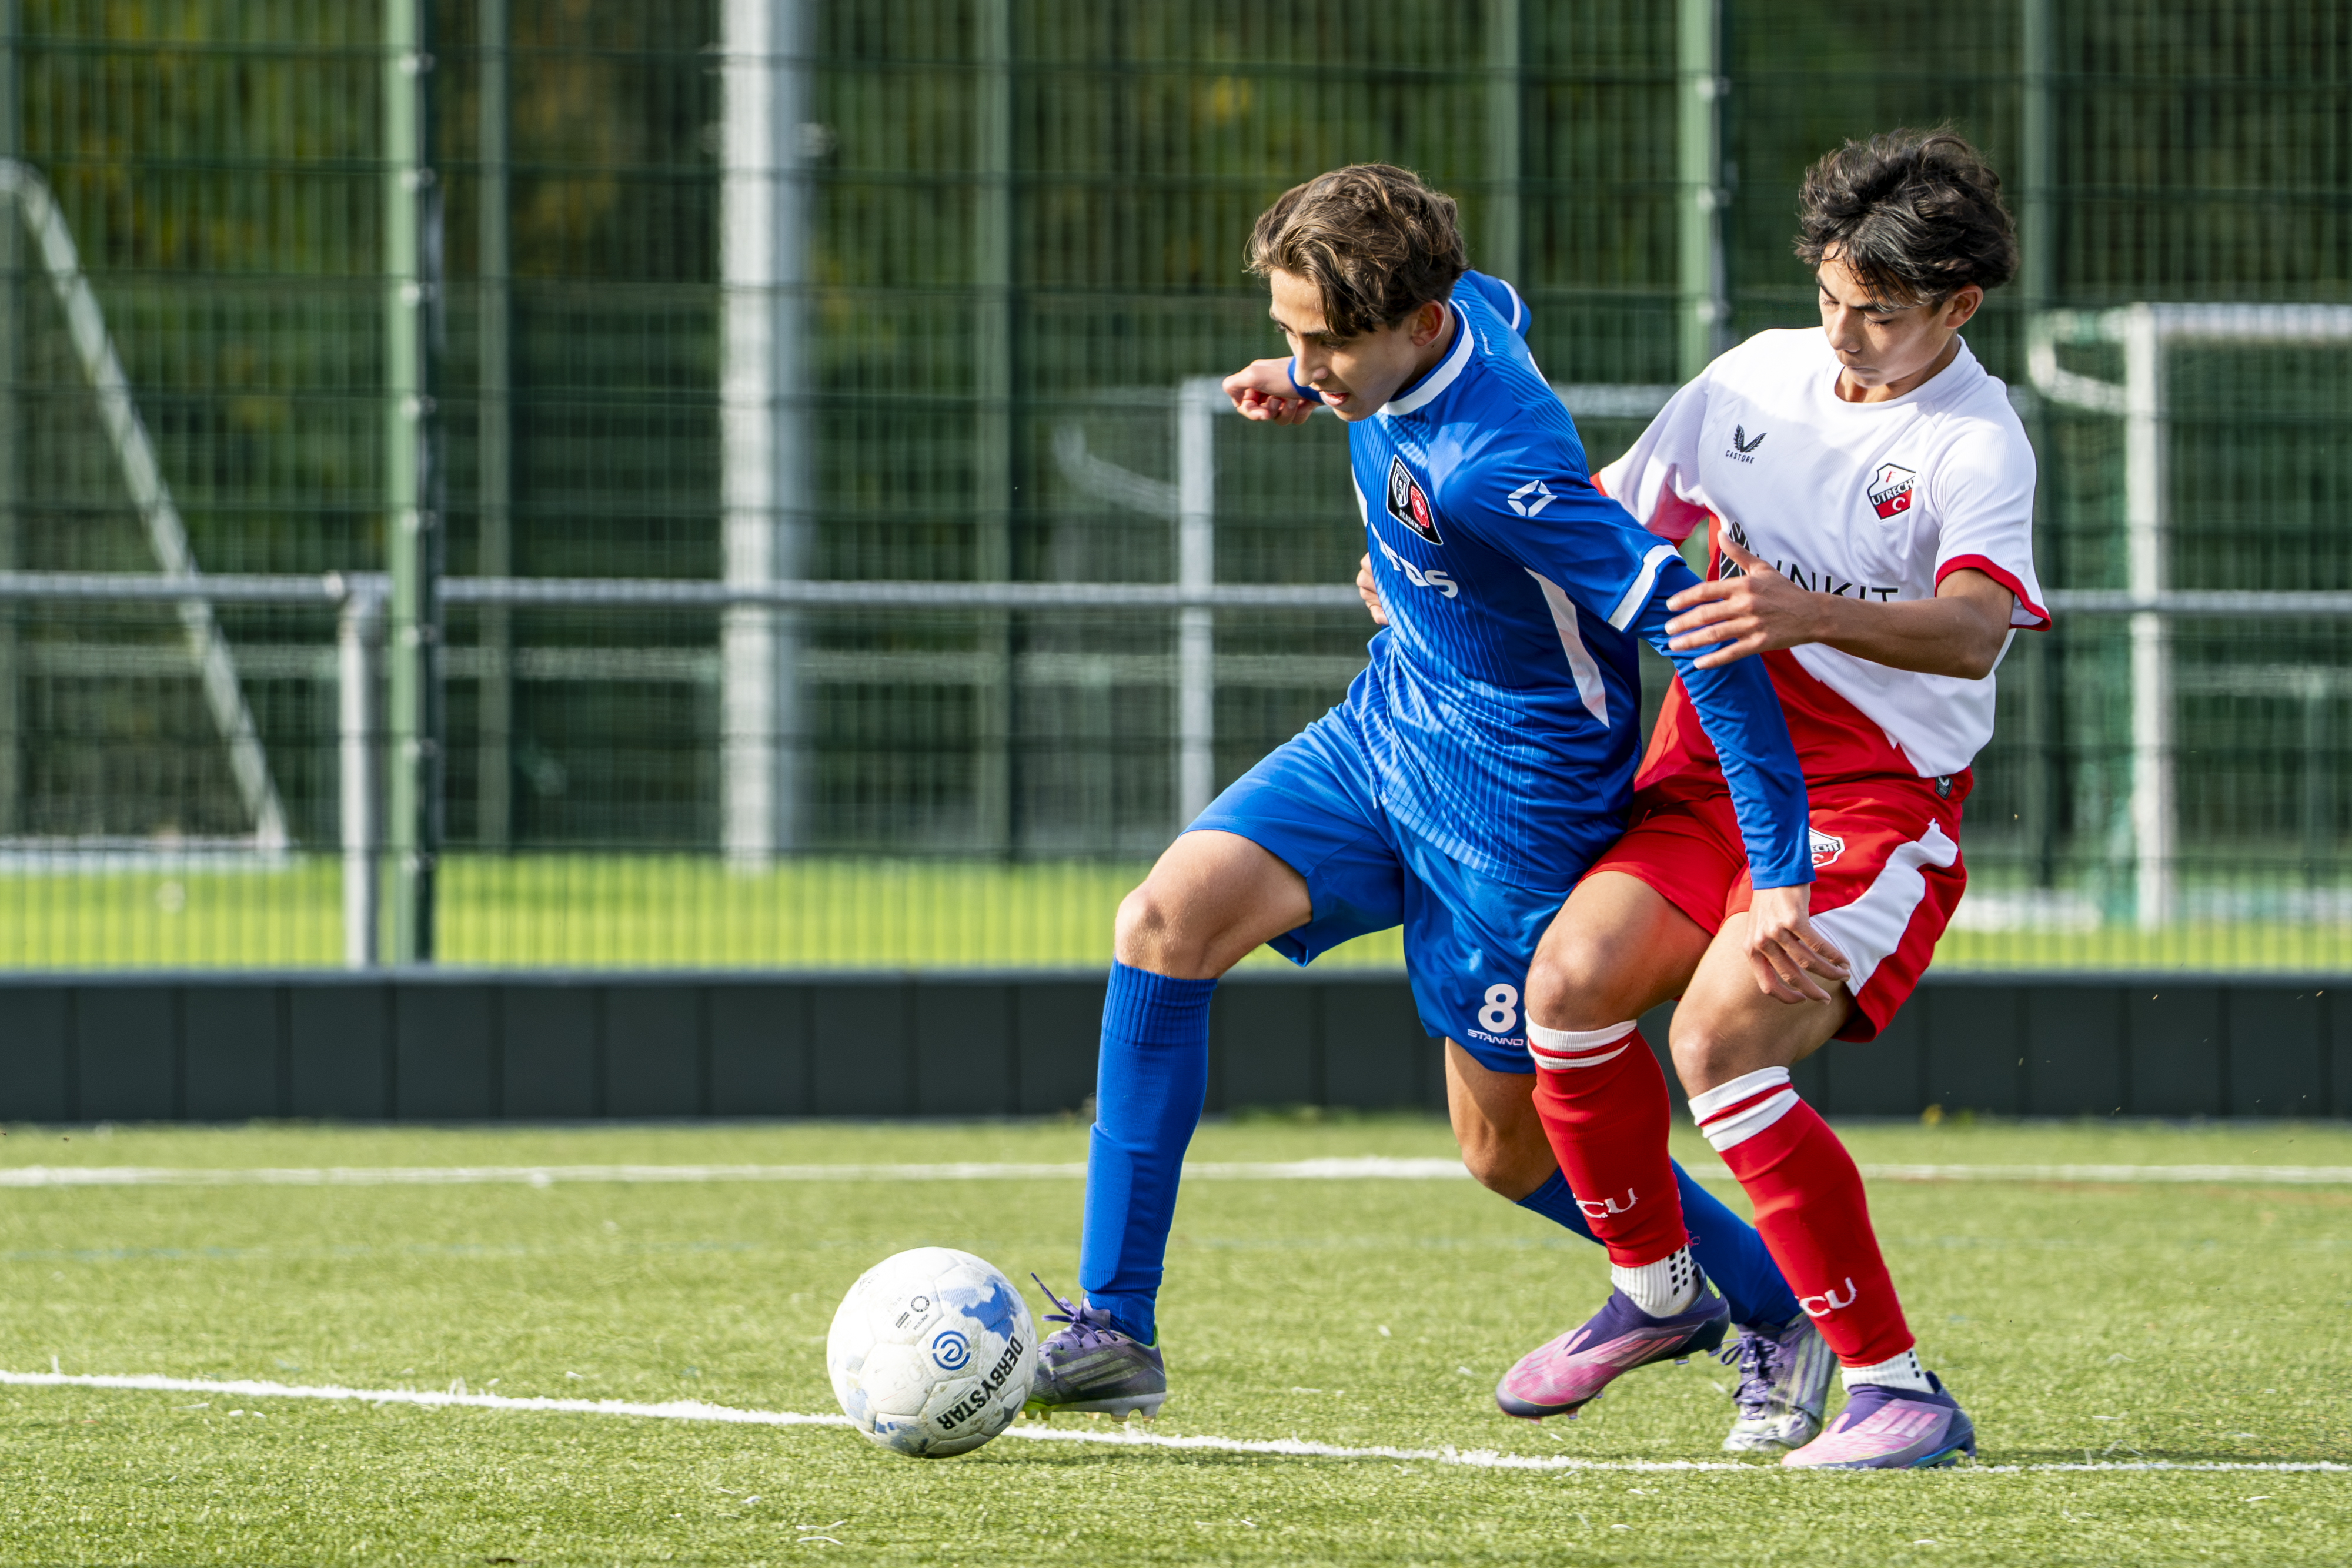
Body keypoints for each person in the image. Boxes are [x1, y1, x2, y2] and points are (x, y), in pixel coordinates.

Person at [1023, 163, 1847, 1452]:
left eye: (1326, 344)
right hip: (1385, 730)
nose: (1309, 366)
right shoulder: (1459, 312)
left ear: (1418, 323)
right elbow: (1488, 304)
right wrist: (1300, 377)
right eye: (1290, 332)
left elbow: (1697, 629)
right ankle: (1115, 1326)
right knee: (1161, 923)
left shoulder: (1495, 470)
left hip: (1517, 808)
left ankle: (1769, 1302)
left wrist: (1779, 857)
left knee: (1503, 1153)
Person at [1505, 128, 2046, 1469]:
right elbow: (1602, 521)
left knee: (1719, 1042)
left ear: (1959, 307)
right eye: (1829, 297)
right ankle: (1657, 1290)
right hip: (1708, 777)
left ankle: (1897, 1388)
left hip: (1871, 800)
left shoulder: (1976, 443)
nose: (1843, 333)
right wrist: (1432, 564)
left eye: (1880, 312)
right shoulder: (1751, 374)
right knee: (1565, 987)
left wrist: (1806, 610)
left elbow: (1975, 629)